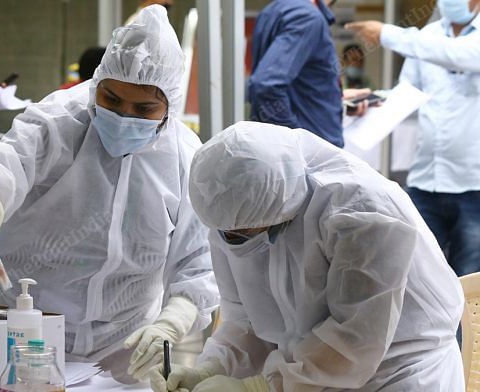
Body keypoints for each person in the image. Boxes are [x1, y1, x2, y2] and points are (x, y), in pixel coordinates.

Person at [0, 5, 218, 381]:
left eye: (144, 108)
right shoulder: (60, 121)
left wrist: (173, 321)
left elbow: (199, 260)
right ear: (97, 85)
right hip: (23, 327)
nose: (124, 116)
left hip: (124, 344)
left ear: (169, 106)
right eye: (112, 100)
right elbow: (11, 157)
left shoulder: (185, 159)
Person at [150, 122, 465, 391]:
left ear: (284, 208)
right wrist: (211, 369)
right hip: (305, 375)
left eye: (247, 230)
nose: (236, 240)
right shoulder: (231, 214)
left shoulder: (363, 212)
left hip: (401, 372)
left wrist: (259, 386)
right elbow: (247, 320)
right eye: (231, 233)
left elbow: (357, 341)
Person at [347, 0, 480, 276]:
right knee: (413, 274)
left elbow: (456, 54)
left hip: (473, 185)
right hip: (425, 181)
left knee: (467, 280)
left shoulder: (426, 43)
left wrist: (386, 34)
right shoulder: (427, 36)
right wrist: (369, 100)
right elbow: (405, 94)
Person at [248, 0, 344, 147]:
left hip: (286, 152)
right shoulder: (308, 17)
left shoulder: (274, 9)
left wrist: (336, 98)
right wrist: (297, 143)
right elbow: (265, 85)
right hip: (310, 158)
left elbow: (294, 85)